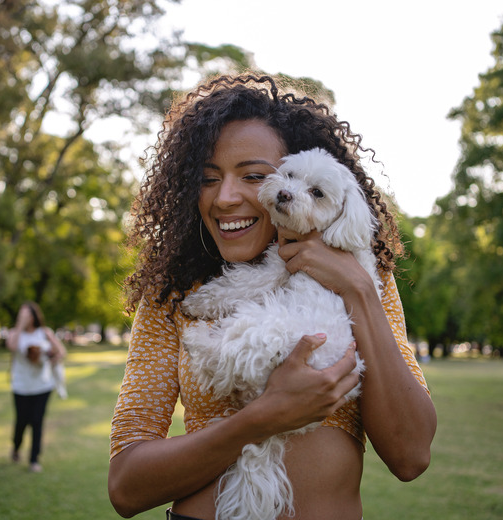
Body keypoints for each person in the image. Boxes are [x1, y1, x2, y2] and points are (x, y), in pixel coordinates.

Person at [108, 74, 437, 519]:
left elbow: (411, 455)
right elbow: (127, 487)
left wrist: (358, 290)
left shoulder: (362, 277)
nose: (225, 198)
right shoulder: (174, 295)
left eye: (254, 176)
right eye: (208, 179)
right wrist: (262, 417)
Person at [6, 301, 67, 473]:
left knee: (37, 421)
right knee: (21, 421)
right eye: (21, 314)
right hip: (21, 385)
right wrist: (19, 325)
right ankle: (16, 447)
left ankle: (34, 459)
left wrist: (50, 360)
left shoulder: (45, 332)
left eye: (27, 314)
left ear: (34, 316)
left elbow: (61, 352)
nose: (24, 317)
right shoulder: (14, 334)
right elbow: (11, 346)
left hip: (42, 385)